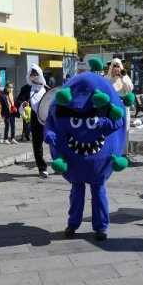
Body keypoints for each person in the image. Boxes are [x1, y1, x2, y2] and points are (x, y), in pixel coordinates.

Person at [44, 58, 130, 241]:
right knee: (77, 192)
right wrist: (49, 132)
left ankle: (100, 226)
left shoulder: (104, 95)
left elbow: (119, 119)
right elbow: (51, 117)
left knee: (98, 191)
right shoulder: (66, 100)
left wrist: (102, 122)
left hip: (98, 161)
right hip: (74, 161)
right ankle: (73, 223)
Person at [16, 65, 51, 178]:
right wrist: (23, 104)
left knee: (54, 143)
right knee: (37, 145)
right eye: (32, 74)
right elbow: (18, 101)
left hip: (48, 120)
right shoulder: (26, 88)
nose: (34, 76)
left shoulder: (46, 88)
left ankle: (58, 163)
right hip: (35, 120)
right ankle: (42, 169)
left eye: (36, 74)